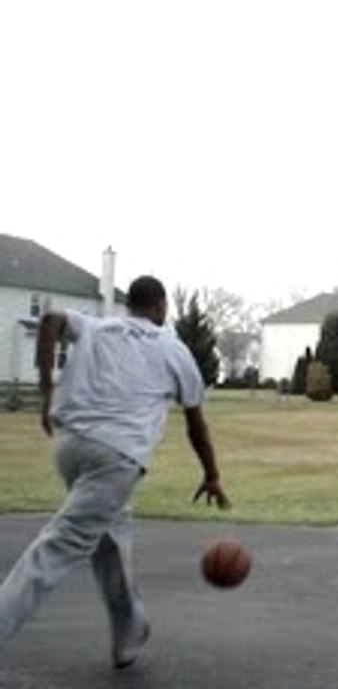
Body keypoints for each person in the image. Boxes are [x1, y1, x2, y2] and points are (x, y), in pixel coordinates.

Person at [0, 275, 230, 668]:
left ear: (131, 305)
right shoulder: (174, 349)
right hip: (117, 457)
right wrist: (211, 474)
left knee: (110, 541)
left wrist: (46, 393)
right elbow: (196, 424)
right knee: (57, 547)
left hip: (70, 448)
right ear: (161, 307)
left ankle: (129, 631)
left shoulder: (97, 325)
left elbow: (51, 319)